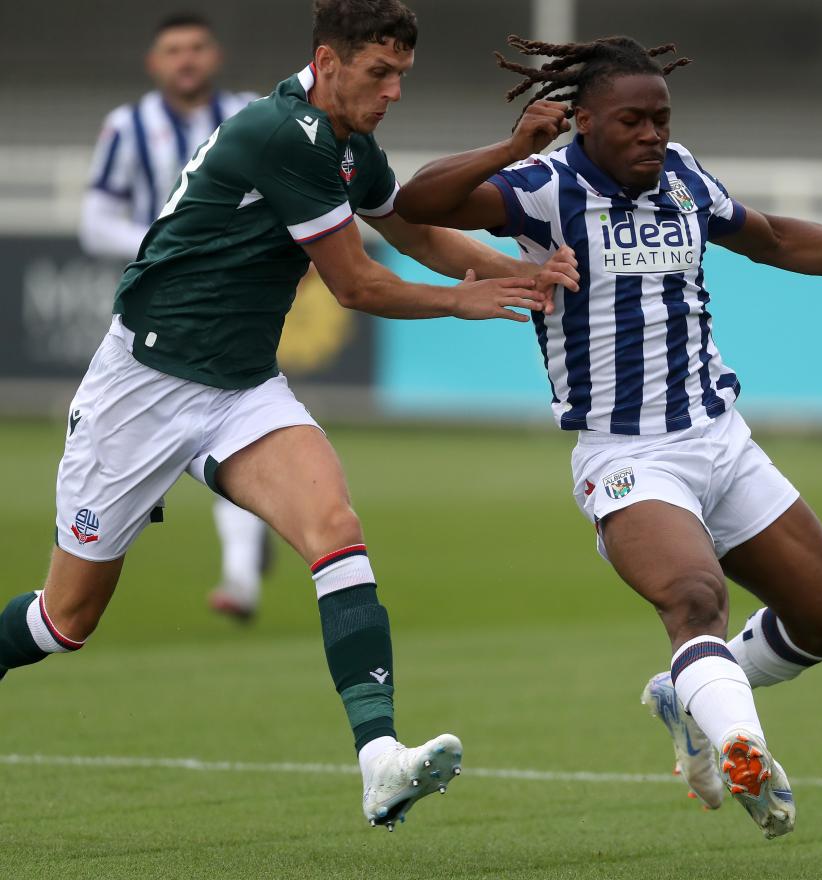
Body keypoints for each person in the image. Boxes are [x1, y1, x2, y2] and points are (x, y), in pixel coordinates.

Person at [0, 0, 577, 831]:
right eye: (379, 74)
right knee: (66, 621)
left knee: (334, 526)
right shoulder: (285, 134)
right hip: (143, 387)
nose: (393, 93)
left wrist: (518, 274)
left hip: (238, 387)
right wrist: (464, 301)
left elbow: (412, 232)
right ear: (328, 61)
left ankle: (380, 761)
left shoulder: (344, 143)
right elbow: (358, 284)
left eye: (402, 76)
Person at [394, 34, 822, 839]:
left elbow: (774, 237)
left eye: (661, 118)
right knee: (696, 597)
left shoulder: (683, 177)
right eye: (632, 121)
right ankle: (744, 749)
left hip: (721, 440)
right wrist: (509, 146)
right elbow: (417, 203)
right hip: (627, 455)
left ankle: (693, 694)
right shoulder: (544, 188)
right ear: (586, 122)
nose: (652, 135)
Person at [80, 12, 272, 622]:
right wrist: (165, 242)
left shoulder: (251, 114)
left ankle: (240, 577)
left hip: (235, 309)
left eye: (195, 48)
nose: (185, 59)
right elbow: (94, 220)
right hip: (153, 315)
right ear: (154, 63)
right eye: (173, 50)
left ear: (213, 56)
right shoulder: (127, 127)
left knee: (237, 432)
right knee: (138, 453)